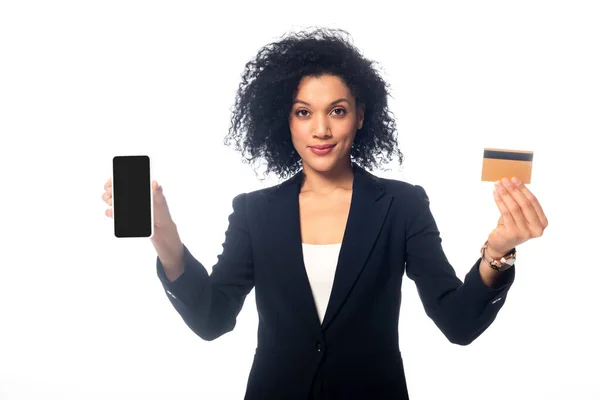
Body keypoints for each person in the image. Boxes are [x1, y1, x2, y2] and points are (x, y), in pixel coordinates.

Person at [101, 28, 548, 400]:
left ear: (359, 116)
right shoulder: (254, 212)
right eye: (303, 112)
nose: (321, 129)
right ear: (286, 121)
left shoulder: (402, 205)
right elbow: (213, 320)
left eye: (337, 110)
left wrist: (499, 251)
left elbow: (458, 322)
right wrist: (167, 240)